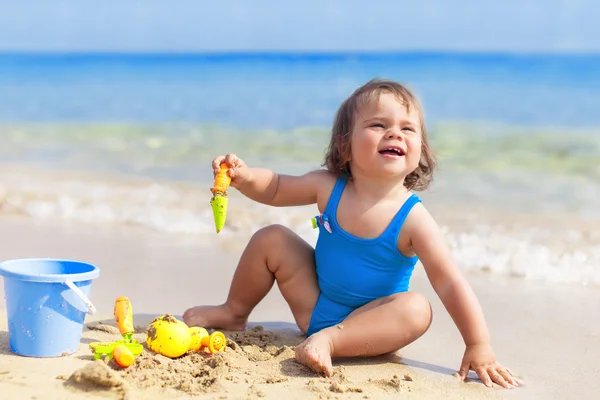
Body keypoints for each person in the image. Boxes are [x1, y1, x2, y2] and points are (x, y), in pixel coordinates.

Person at [183, 78, 519, 389]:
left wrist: (479, 344)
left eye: (407, 128)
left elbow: (450, 282)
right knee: (271, 237)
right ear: (345, 146)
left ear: (420, 152)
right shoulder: (329, 187)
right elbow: (276, 188)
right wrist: (244, 177)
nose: (395, 134)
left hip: (370, 330)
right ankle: (235, 311)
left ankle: (329, 341)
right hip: (314, 307)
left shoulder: (414, 219)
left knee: (417, 308)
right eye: (378, 125)